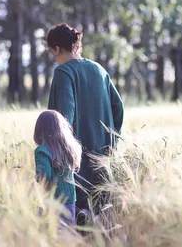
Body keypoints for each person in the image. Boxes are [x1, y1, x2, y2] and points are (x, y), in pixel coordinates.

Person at [45, 23, 124, 225]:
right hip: (103, 158)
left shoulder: (63, 73)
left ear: (55, 48)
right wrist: (112, 140)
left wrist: (60, 153)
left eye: (51, 51)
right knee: (103, 219)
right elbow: (119, 107)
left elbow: (64, 117)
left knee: (78, 222)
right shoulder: (99, 70)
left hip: (77, 164)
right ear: (76, 45)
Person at [33, 109, 82, 226]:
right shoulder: (69, 149)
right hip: (70, 201)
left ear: (39, 130)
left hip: (51, 202)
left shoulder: (42, 150)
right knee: (67, 235)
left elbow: (44, 178)